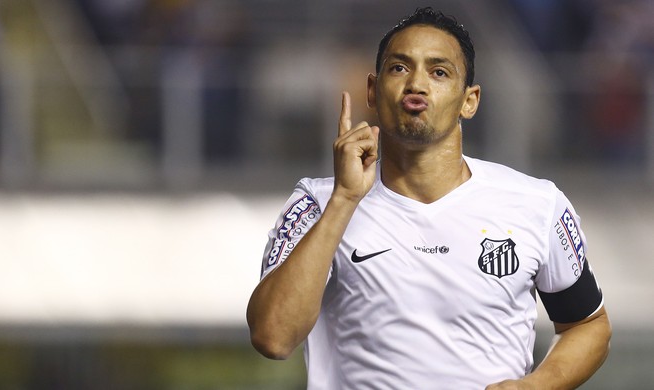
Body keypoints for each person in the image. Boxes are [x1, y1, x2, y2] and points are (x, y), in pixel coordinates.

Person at [246, 7, 611, 389]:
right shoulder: (317, 203)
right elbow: (273, 337)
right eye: (399, 68)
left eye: (439, 72)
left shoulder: (536, 204)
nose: (416, 83)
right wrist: (344, 199)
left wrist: (536, 385)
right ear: (372, 90)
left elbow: (587, 324)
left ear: (469, 101)